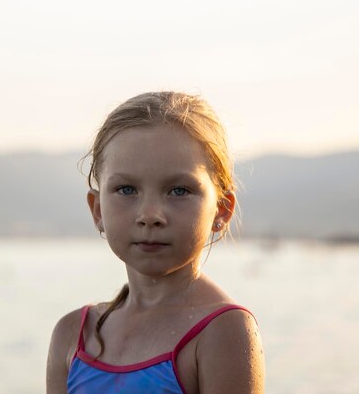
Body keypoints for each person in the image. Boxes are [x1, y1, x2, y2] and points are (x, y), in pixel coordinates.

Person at [46, 91, 265, 394]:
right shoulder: (72, 335)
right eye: (126, 189)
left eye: (178, 191)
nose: (150, 215)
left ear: (221, 209)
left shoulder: (222, 331)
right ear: (97, 210)